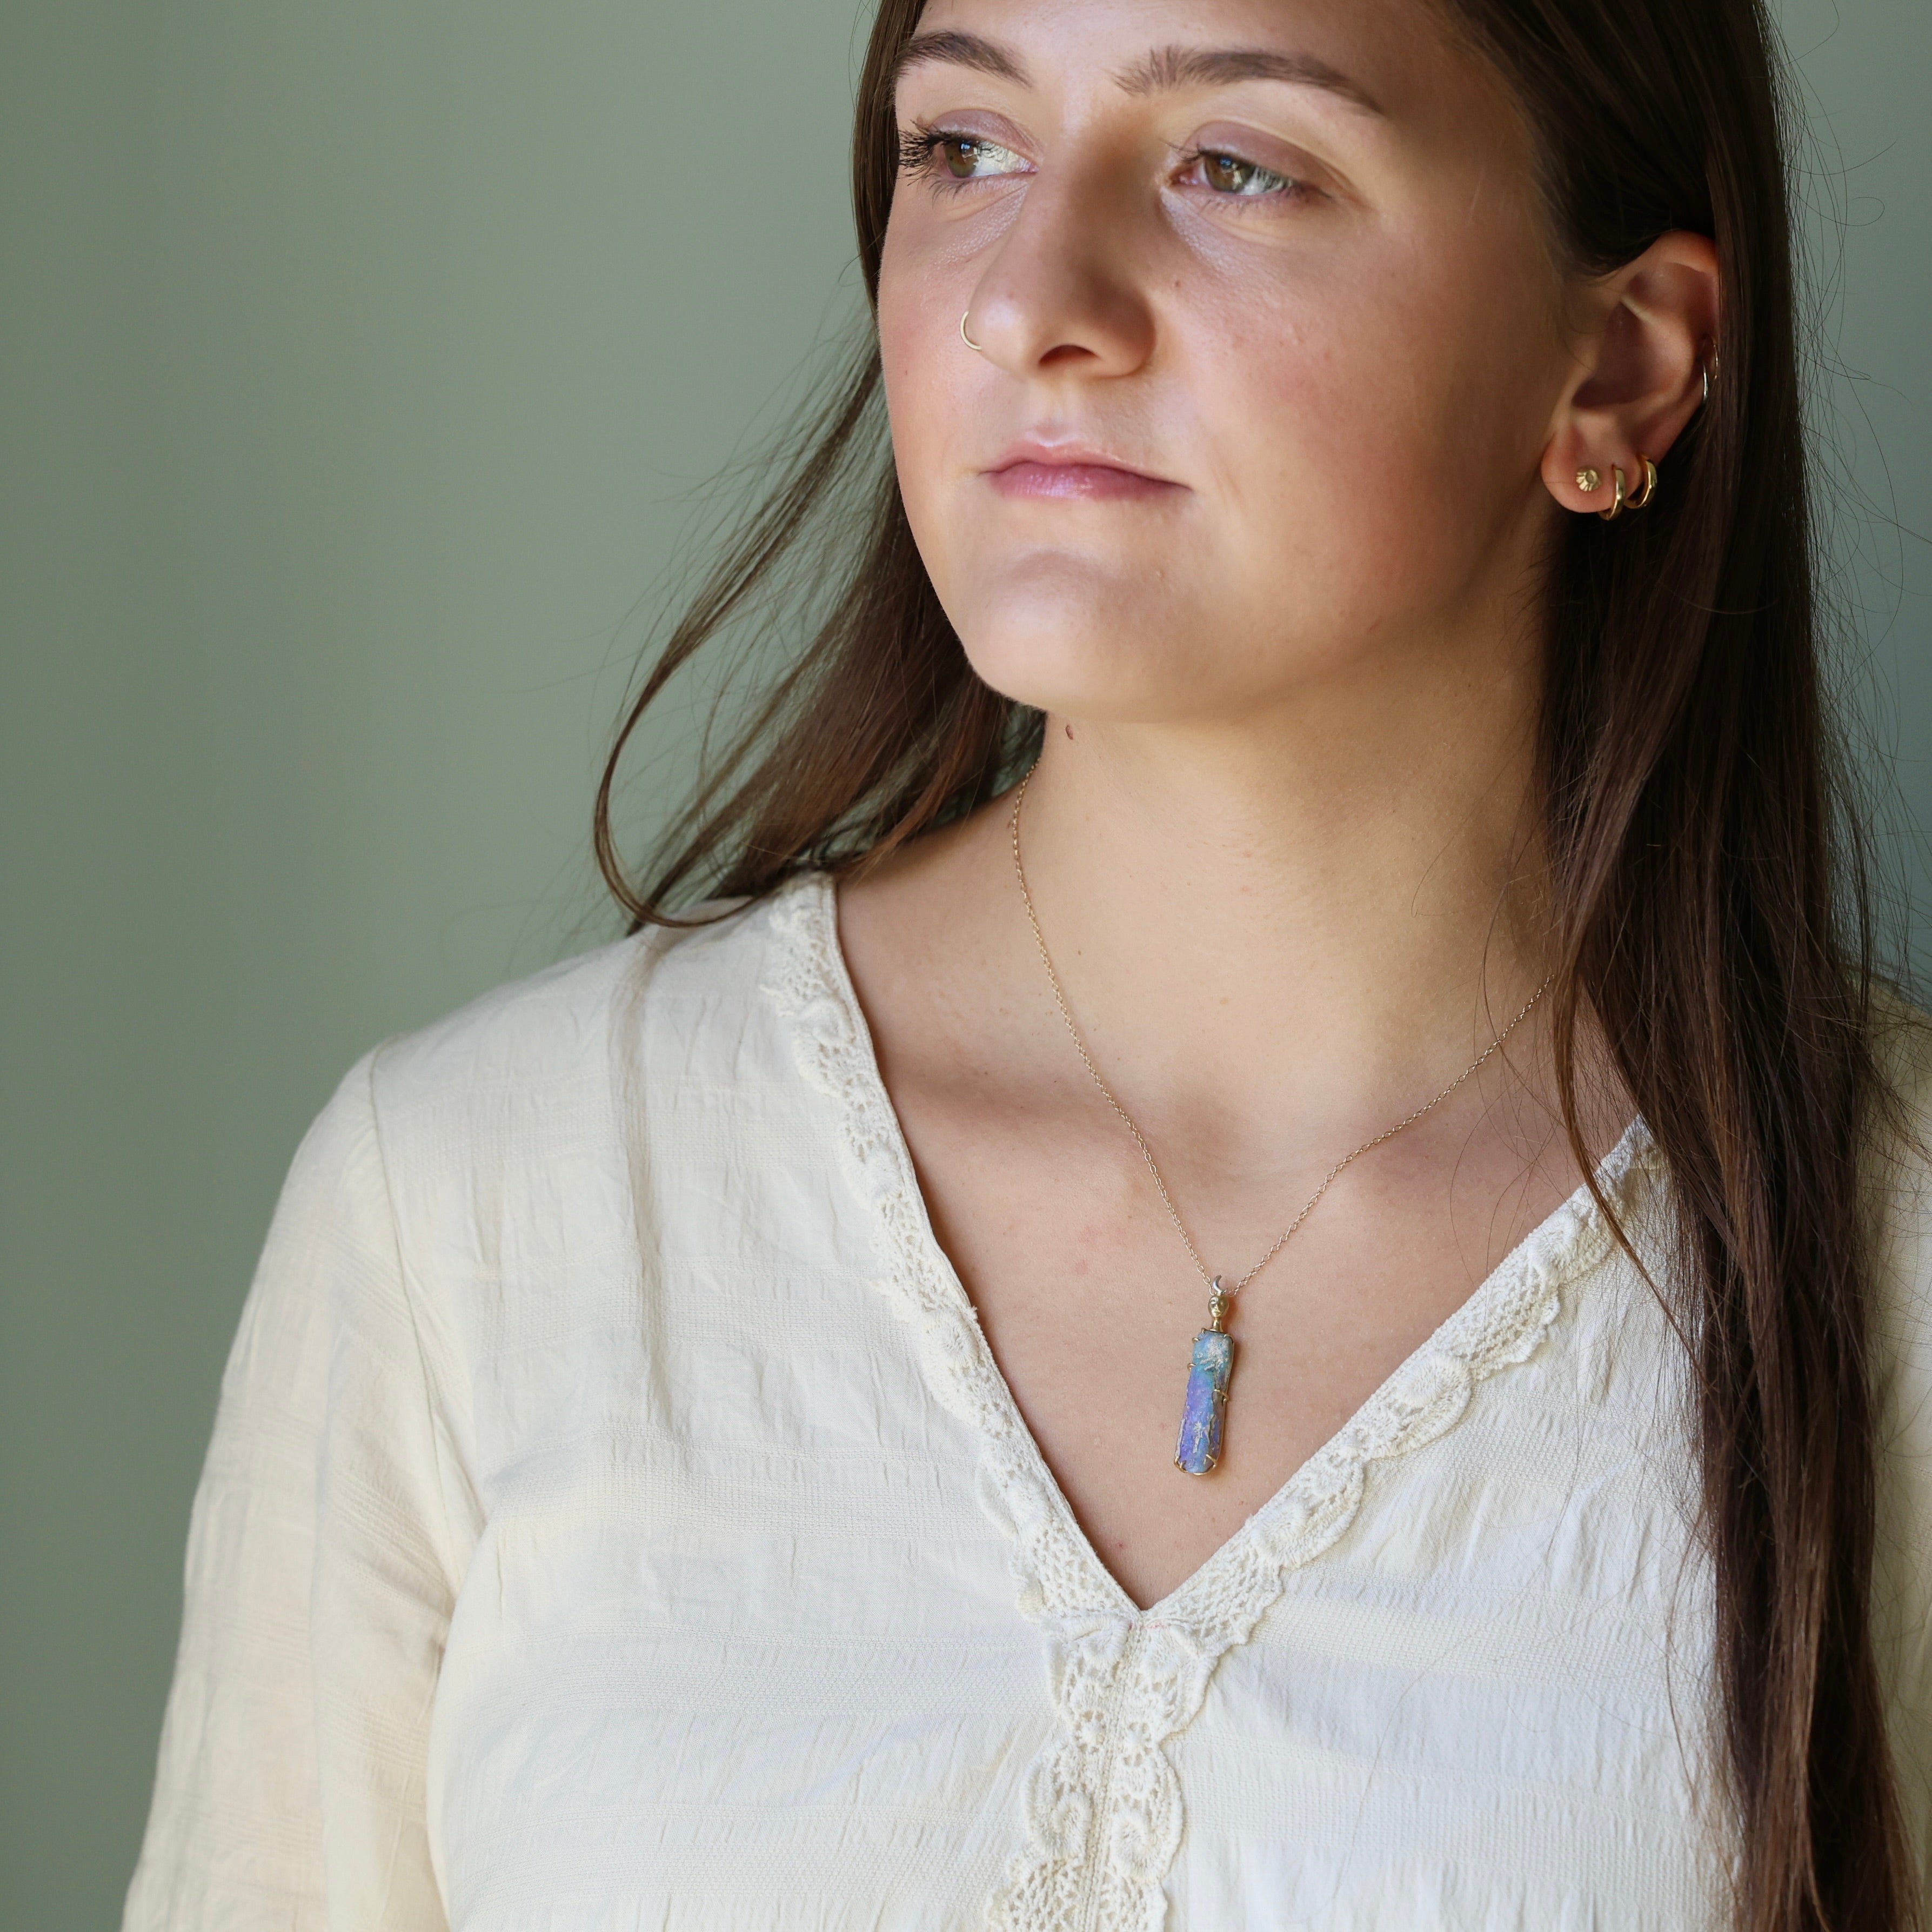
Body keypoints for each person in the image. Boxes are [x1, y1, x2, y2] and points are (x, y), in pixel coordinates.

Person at [125, 0, 1932, 1925]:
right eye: (959, 148)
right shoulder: (477, 1204)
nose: (1027, 302)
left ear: (1623, 368)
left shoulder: (1885, 1259)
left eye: (1237, 164)